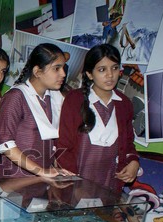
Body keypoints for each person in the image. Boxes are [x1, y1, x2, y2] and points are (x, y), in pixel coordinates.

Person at [57, 43, 139, 192]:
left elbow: (128, 143)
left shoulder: (124, 104)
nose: (110, 75)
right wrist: (74, 182)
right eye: (102, 70)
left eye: (114, 68)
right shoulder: (74, 100)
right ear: (89, 74)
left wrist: (133, 161)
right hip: (75, 184)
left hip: (110, 184)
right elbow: (63, 144)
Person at [0, 43, 73, 179]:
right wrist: (41, 171)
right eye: (57, 69)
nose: (63, 74)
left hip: (41, 180)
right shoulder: (16, 96)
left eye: (63, 68)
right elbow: (4, 143)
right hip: (15, 181)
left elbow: (50, 142)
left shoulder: (54, 98)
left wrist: (56, 168)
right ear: (37, 72)